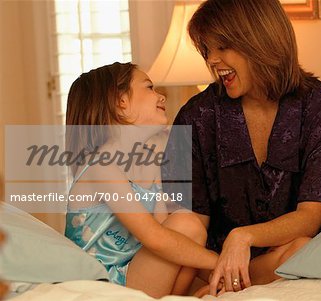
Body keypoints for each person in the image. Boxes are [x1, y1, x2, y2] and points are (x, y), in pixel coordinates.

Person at [162, 0, 321, 296]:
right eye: (207, 50)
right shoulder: (196, 117)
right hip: (210, 265)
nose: (213, 60)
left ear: (258, 39)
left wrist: (243, 237)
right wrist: (221, 266)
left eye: (222, 47)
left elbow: (309, 218)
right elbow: (190, 225)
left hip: (286, 257)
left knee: (302, 249)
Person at [64, 62, 218, 297]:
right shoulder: (101, 166)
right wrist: (219, 262)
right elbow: (155, 238)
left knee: (187, 224)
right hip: (104, 283)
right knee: (186, 224)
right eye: (150, 88)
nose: (161, 96)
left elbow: (166, 231)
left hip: (133, 270)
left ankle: (178, 296)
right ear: (121, 102)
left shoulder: (150, 160)